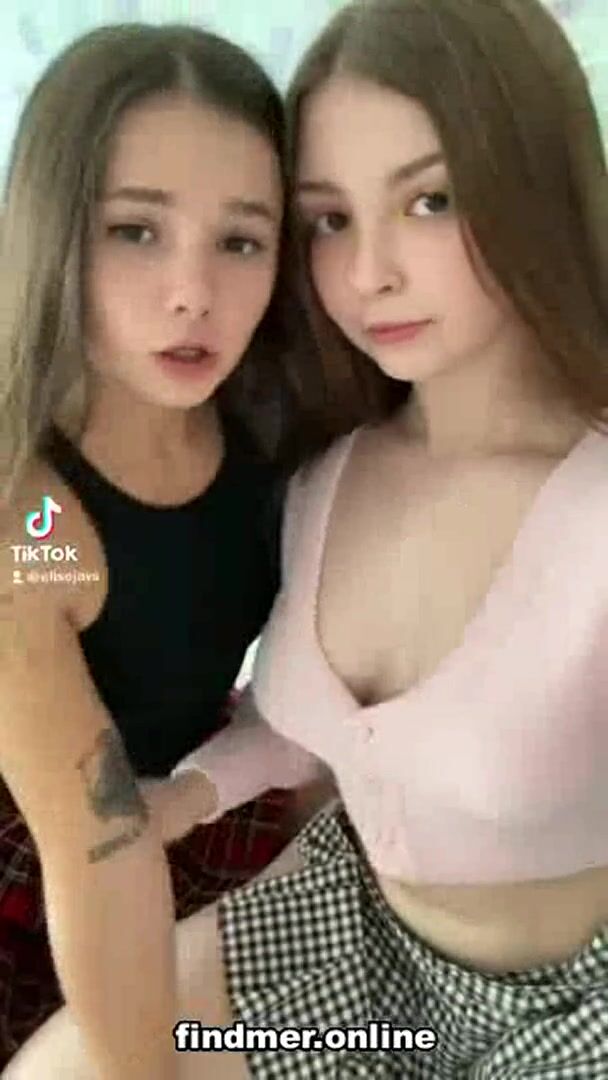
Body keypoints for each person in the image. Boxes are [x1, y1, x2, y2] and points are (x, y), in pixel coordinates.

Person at [8, 0, 608, 1076]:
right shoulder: (290, 476)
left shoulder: (294, 434)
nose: (369, 272)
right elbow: (107, 833)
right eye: (329, 219)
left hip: (557, 996)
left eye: (429, 200)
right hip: (300, 918)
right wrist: (184, 800)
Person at [0, 22, 348, 1080]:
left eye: (239, 241)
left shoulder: (275, 413)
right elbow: (91, 841)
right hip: (54, 840)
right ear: (55, 230)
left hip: (206, 788)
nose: (192, 290)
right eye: (136, 231)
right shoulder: (32, 521)